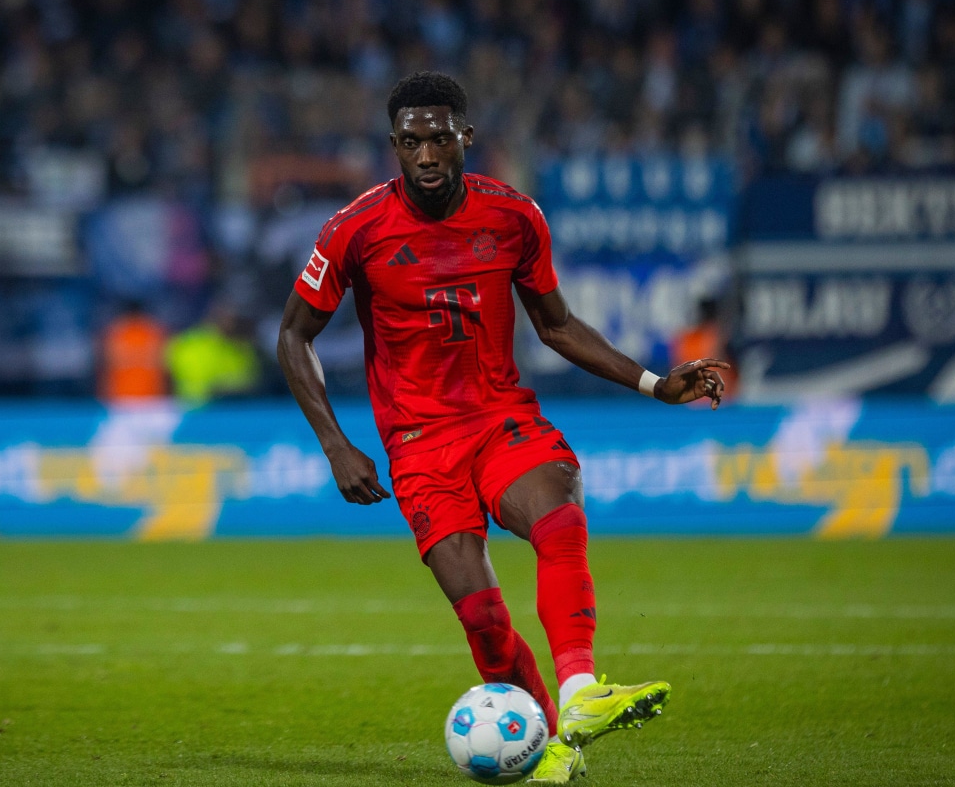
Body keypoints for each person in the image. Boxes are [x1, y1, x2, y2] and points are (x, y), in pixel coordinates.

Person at [276, 71, 728, 784]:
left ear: (467, 139)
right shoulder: (353, 231)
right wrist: (337, 446)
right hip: (418, 444)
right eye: (414, 141)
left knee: (558, 512)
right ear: (394, 145)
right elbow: (293, 337)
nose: (428, 154)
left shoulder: (514, 216)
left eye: (441, 138)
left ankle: (580, 692)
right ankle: (554, 748)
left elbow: (556, 325)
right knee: (484, 619)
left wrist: (651, 382)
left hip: (499, 418)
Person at [98, 300, 169, 402]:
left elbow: (107, 365)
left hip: (122, 394)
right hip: (149, 394)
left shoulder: (115, 333)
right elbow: (162, 366)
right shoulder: (154, 333)